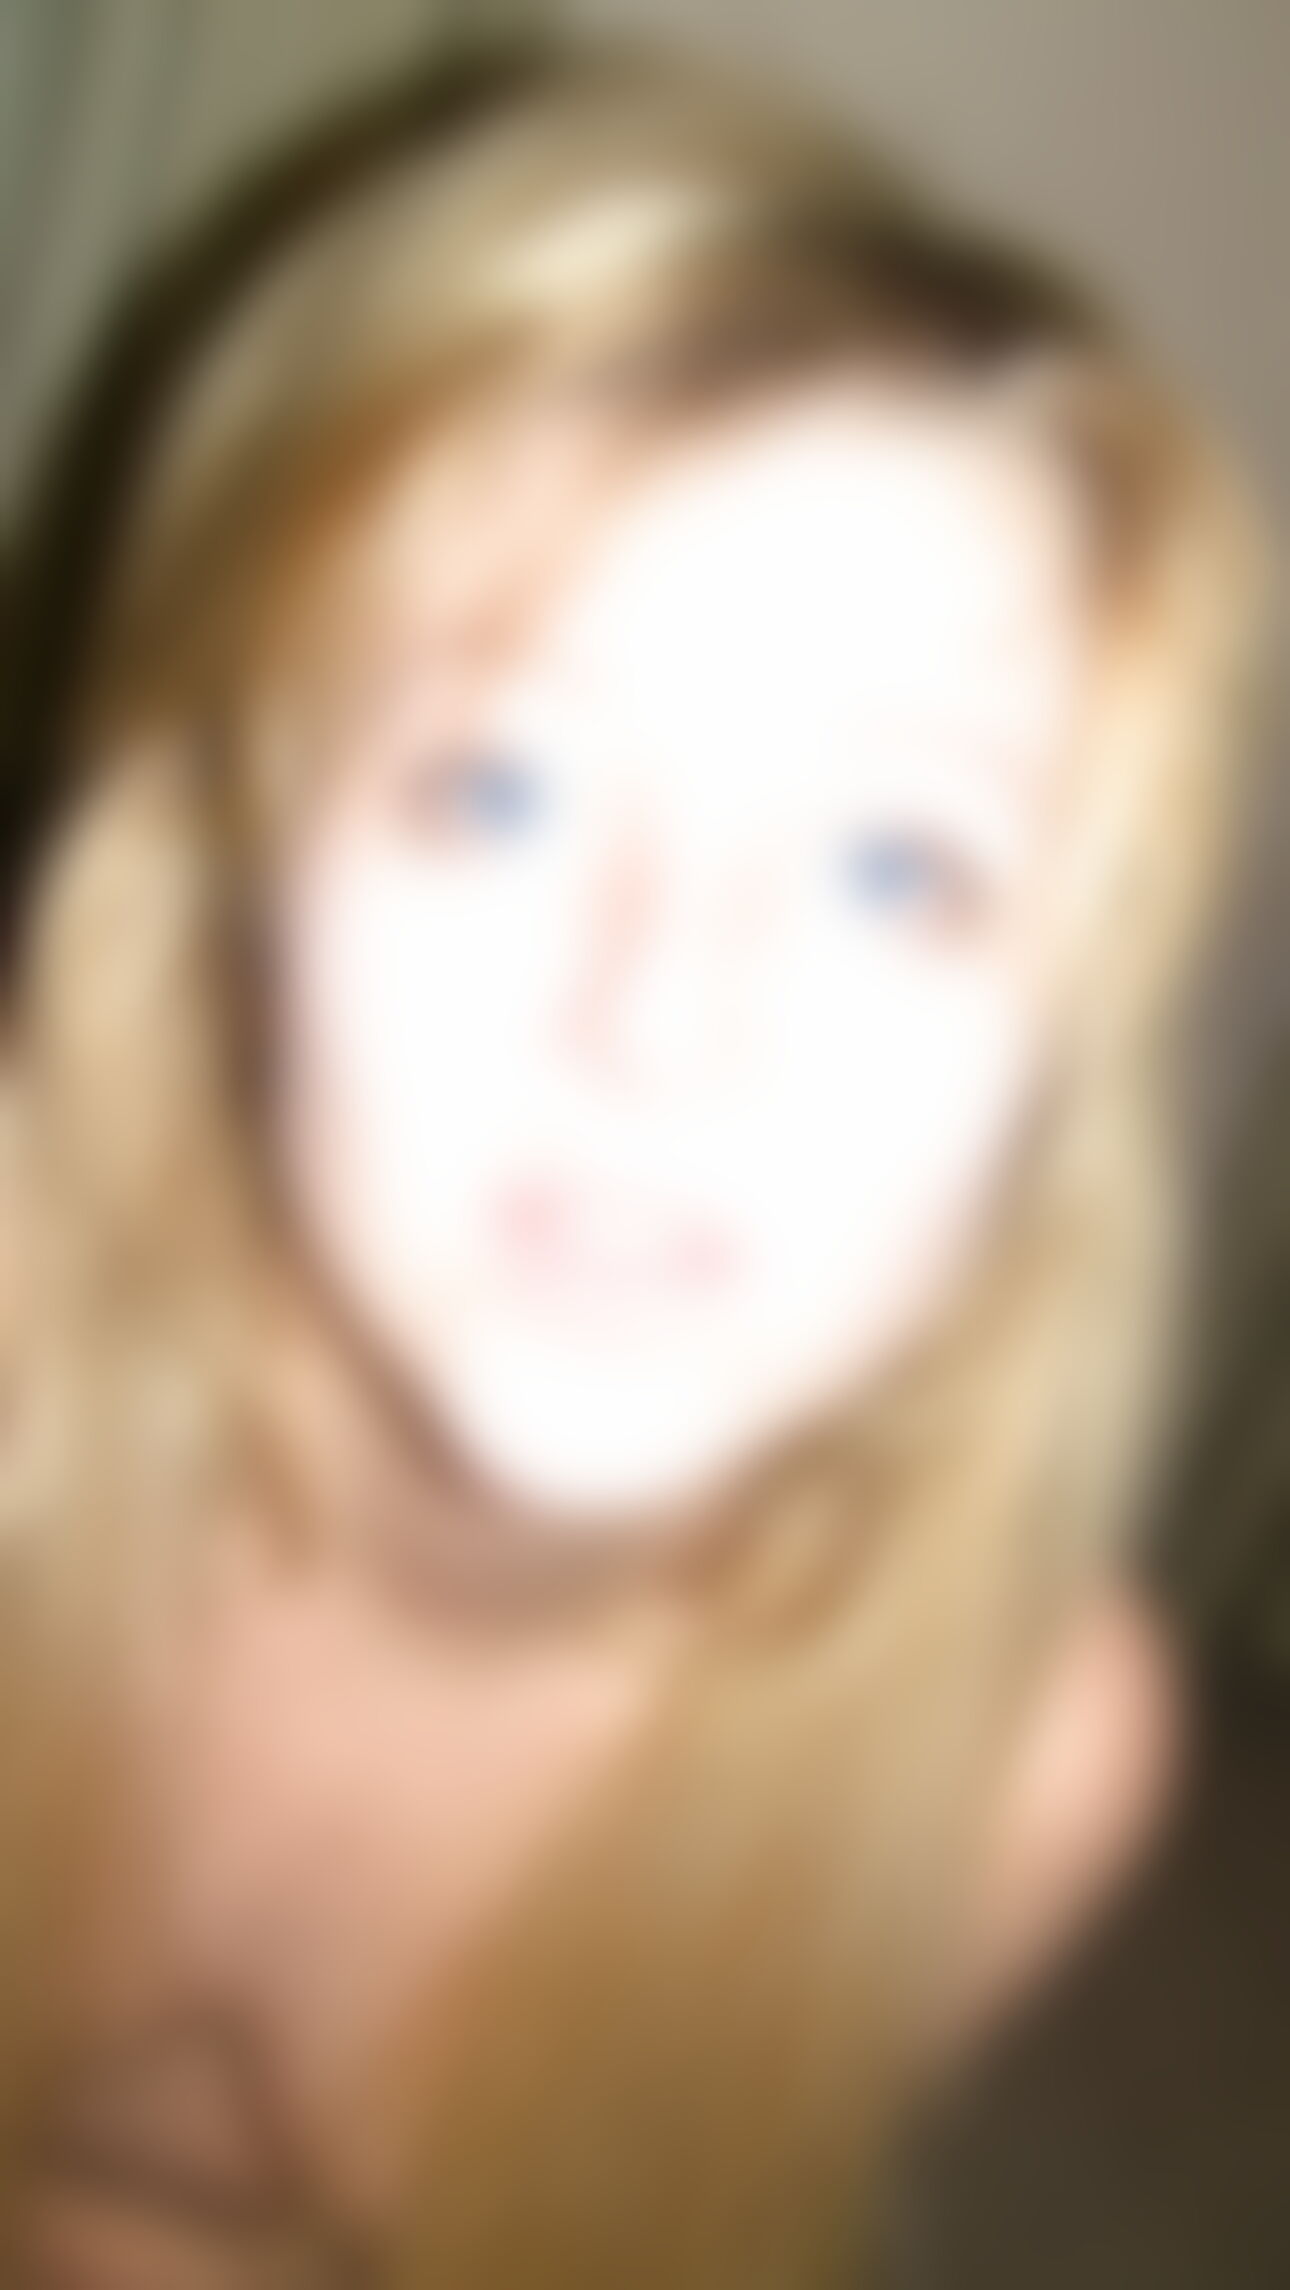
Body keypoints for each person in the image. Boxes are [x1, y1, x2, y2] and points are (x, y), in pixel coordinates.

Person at [0, 25, 1268, 2289]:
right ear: (235, 882)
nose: (666, 1024)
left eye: (896, 868)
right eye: (500, 790)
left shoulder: (1011, 1761)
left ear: (1044, 1070)